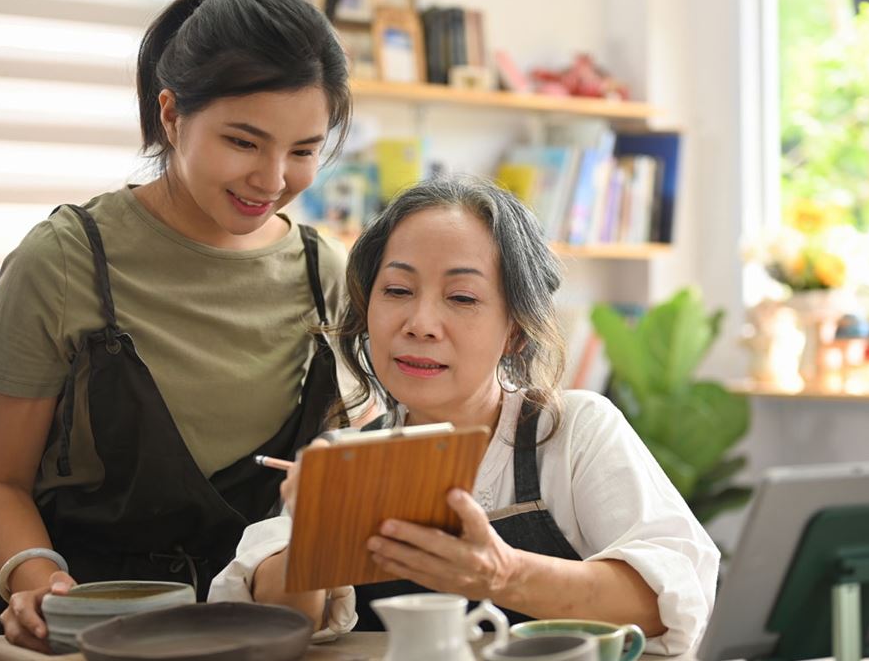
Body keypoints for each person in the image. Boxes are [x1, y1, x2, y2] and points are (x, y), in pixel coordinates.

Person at [0, 0, 353, 651]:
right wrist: (34, 575)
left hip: (253, 630)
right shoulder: (62, 261)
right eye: (243, 141)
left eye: (303, 150)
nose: (271, 178)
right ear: (171, 116)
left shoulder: (326, 274)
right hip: (87, 621)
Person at [210, 177, 721, 656]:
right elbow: (278, 624)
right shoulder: (347, 455)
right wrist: (317, 537)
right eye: (397, 291)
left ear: (516, 331)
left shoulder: (572, 430)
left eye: (461, 298)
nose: (420, 324)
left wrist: (501, 574)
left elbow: (667, 600)